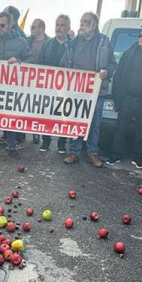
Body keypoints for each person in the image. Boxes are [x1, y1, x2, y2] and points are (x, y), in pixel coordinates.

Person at [62, 12, 115, 167]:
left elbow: (112, 64)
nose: (82, 25)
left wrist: (107, 72)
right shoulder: (73, 43)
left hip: (97, 91)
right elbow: (64, 63)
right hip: (77, 91)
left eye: (86, 22)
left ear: (94, 25)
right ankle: (73, 151)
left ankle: (92, 153)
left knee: (95, 123)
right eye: (81, 21)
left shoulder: (104, 41)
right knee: (76, 121)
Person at [0, 11, 34, 159]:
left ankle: (11, 147)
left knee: (10, 117)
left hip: (12, 87)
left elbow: (30, 60)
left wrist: (19, 61)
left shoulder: (21, 42)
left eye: (2, 25)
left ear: (11, 24)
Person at [107, 25, 142, 167]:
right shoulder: (129, 53)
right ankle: (115, 156)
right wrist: (117, 99)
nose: (141, 38)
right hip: (127, 97)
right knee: (120, 129)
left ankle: (139, 159)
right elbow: (118, 76)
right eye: (141, 35)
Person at [37, 14, 73, 153]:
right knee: (48, 113)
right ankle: (45, 141)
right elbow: (40, 64)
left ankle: (62, 143)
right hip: (49, 87)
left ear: (68, 28)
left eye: (62, 25)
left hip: (67, 88)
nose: (59, 28)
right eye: (57, 25)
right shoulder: (47, 44)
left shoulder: (73, 45)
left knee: (64, 115)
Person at [27, 18, 49, 144]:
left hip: (42, 80)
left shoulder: (49, 43)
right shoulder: (27, 41)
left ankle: (36, 132)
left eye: (33, 27)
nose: (31, 29)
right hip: (28, 78)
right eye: (31, 27)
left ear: (41, 29)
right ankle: (22, 134)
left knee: (39, 108)